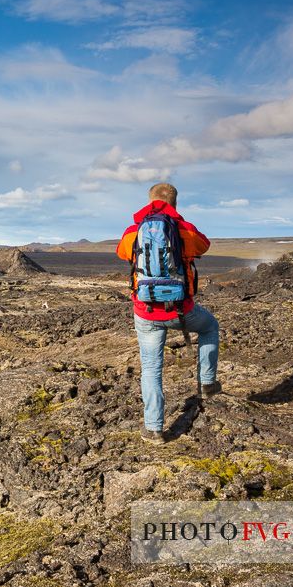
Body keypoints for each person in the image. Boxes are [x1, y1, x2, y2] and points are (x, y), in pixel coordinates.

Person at [116, 183, 221, 444]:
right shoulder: (183, 229)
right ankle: (207, 384)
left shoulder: (134, 231)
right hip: (180, 310)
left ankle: (154, 429)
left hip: (146, 311)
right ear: (174, 203)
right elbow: (204, 246)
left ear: (150, 200)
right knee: (209, 327)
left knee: (151, 369)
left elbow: (121, 253)